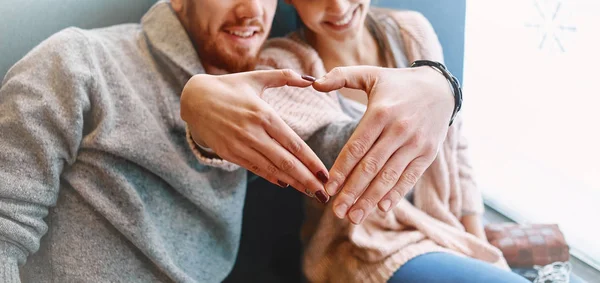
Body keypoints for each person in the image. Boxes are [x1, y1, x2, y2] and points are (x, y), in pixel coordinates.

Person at [0, 0, 456, 282]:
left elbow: (341, 154)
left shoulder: (271, 93)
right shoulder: (78, 60)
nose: (251, 11)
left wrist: (438, 87)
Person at [250, 0, 534, 282]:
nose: (338, 7)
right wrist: (437, 88)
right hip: (363, 246)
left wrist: (477, 242)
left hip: (443, 228)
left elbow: (454, 147)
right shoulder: (279, 66)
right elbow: (328, 149)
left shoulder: (411, 31)